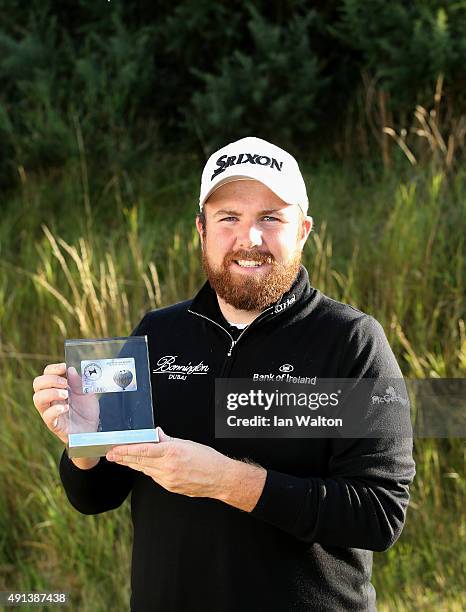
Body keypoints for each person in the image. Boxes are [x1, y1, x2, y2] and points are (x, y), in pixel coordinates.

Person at [32, 136, 415, 612]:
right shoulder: (157, 334)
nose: (248, 239)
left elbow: (379, 515)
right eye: (228, 217)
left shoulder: (350, 341)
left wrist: (226, 481)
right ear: (201, 229)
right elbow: (94, 495)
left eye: (270, 218)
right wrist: (84, 445)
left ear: (303, 231)